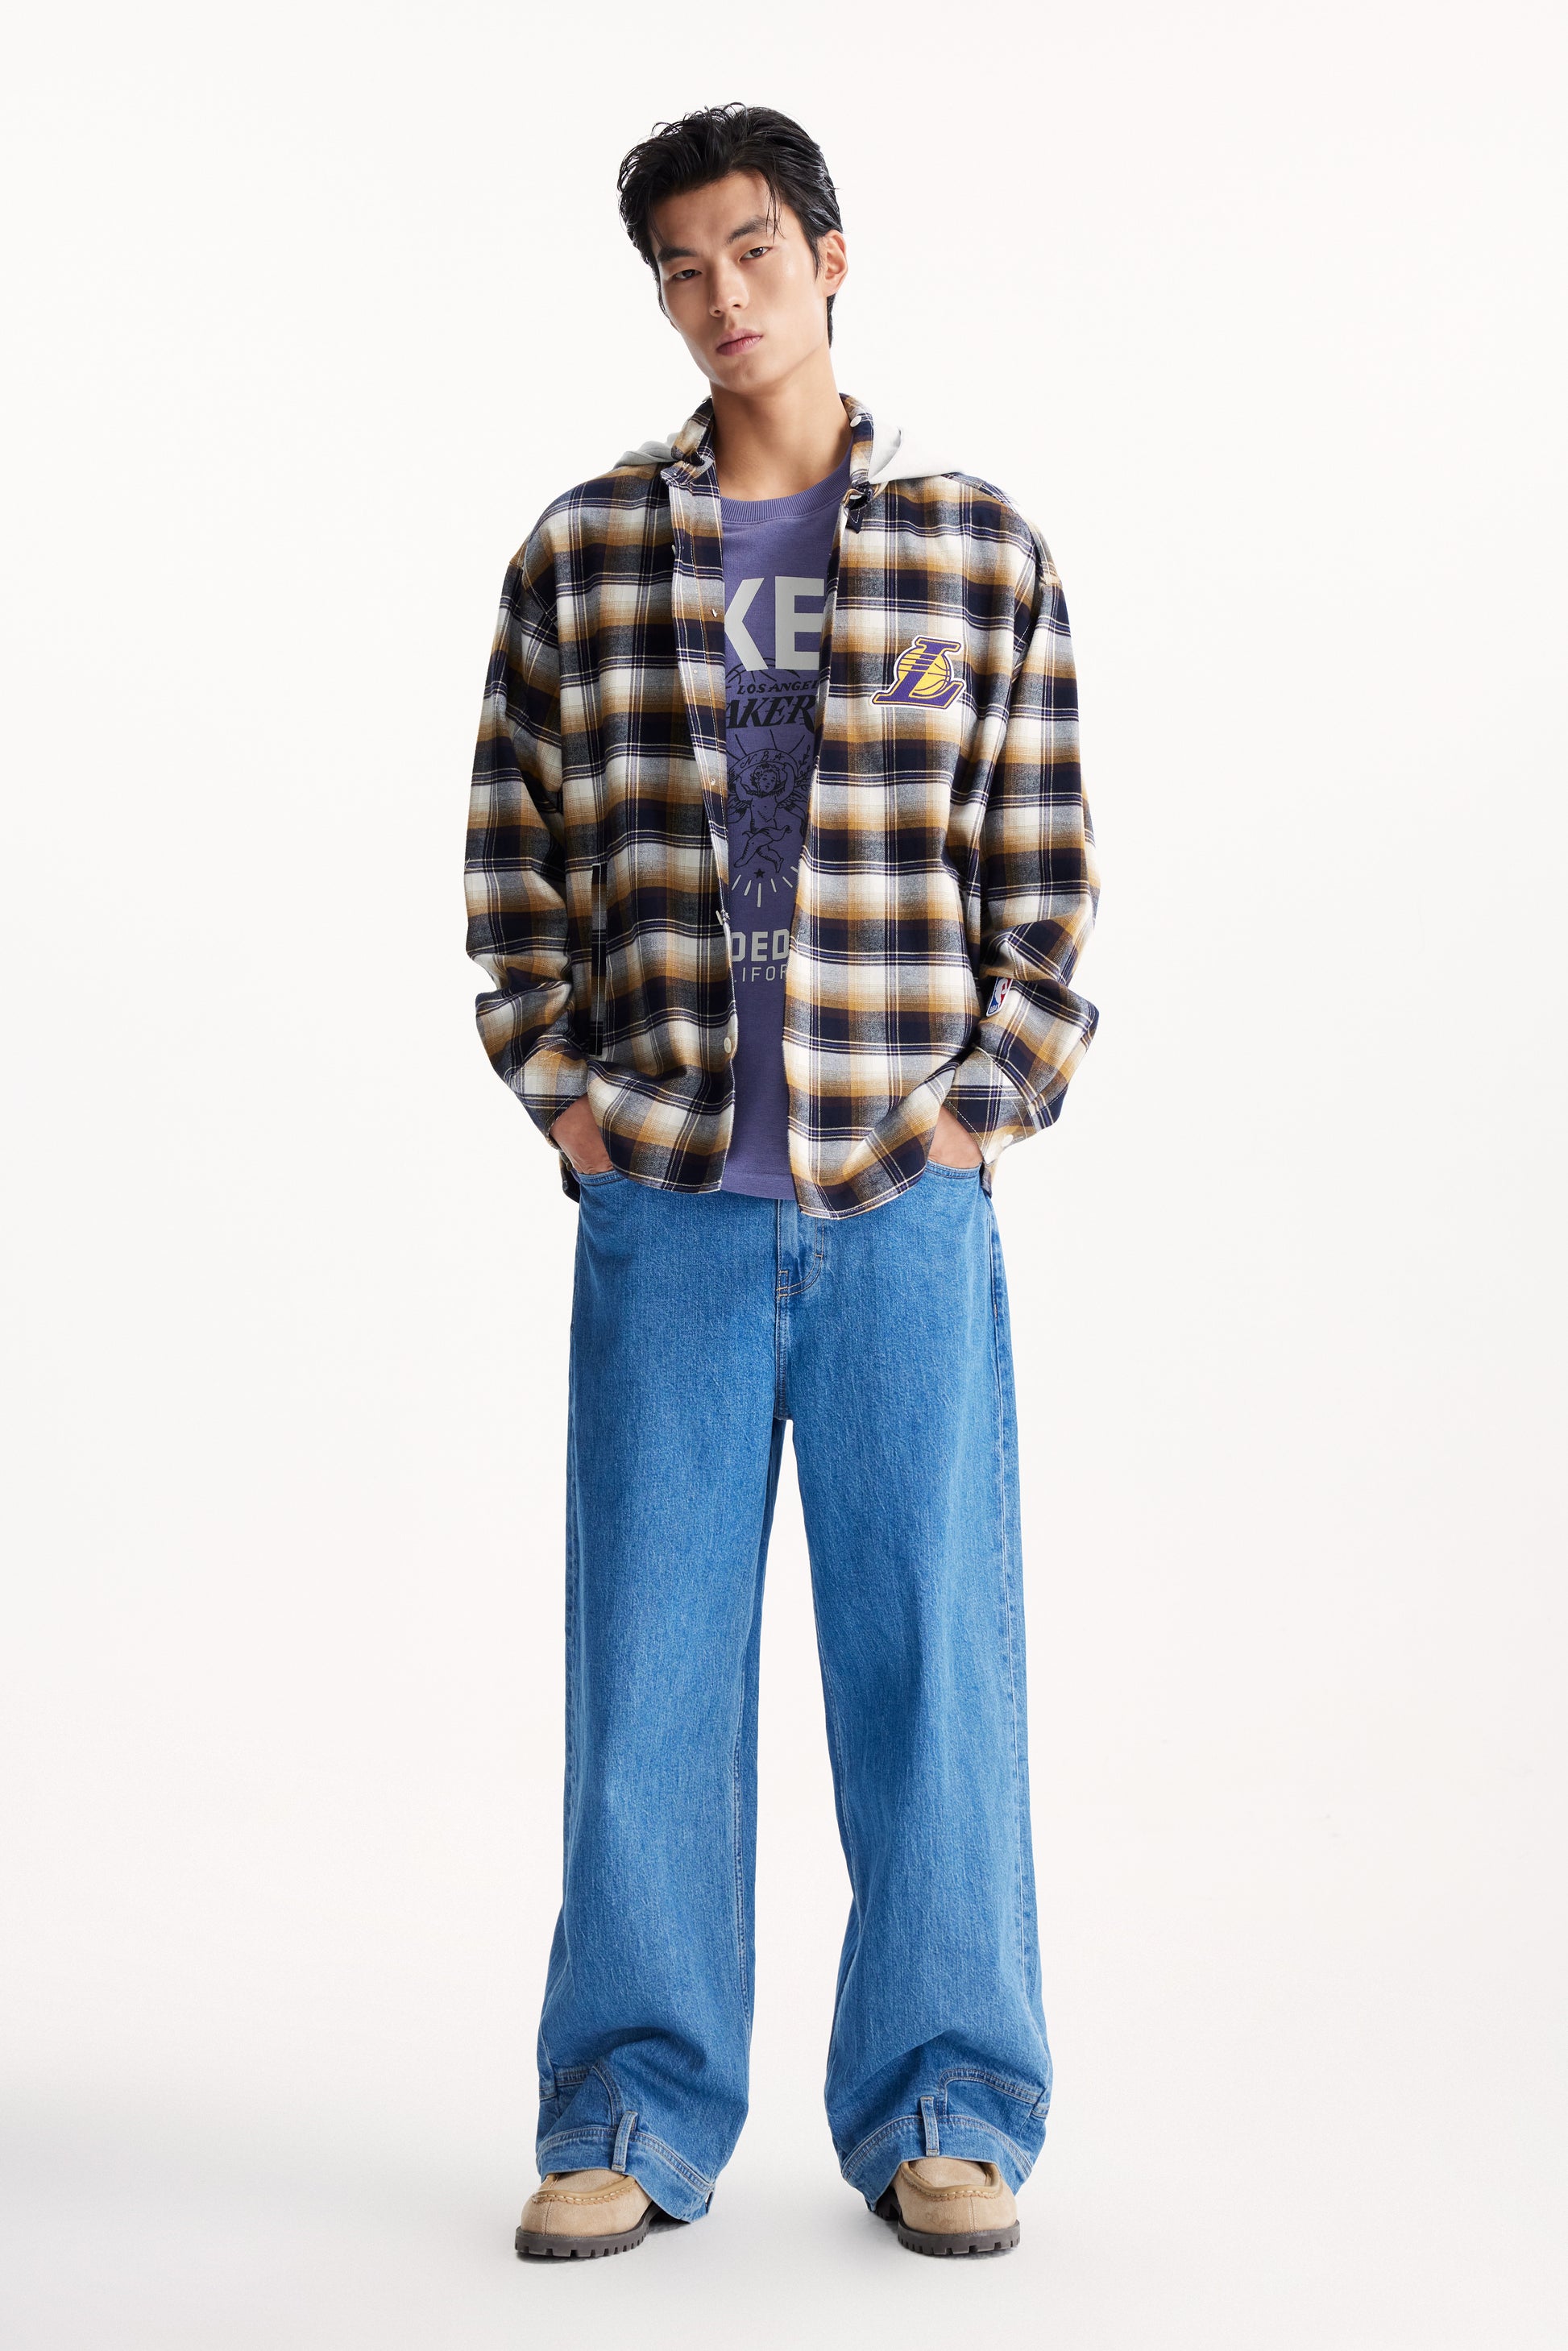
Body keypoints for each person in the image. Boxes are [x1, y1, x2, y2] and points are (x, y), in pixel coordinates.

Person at [464, 102, 1101, 2262]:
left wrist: (972, 1113)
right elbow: (512, 875)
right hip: (666, 1209)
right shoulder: (579, 559)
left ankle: (950, 2100)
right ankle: (629, 2110)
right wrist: (569, 1100)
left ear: (829, 257)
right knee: (647, 1673)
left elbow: (1041, 894)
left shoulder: (977, 553)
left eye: (751, 251)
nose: (719, 297)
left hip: (903, 1203)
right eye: (680, 268)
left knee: (932, 1667)